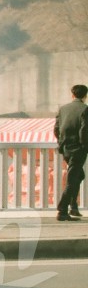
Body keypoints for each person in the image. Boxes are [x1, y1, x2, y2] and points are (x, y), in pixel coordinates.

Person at [54, 84, 88, 221]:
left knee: (79, 175)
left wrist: (61, 143)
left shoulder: (63, 109)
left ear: (72, 95)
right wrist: (84, 147)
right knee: (72, 179)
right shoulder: (85, 109)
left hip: (66, 149)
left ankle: (74, 206)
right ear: (85, 96)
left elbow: (56, 129)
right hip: (78, 149)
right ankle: (62, 210)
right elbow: (84, 131)